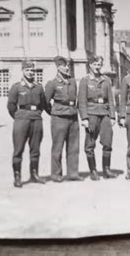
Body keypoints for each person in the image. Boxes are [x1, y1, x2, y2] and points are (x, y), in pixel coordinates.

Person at [7, 60, 50, 188]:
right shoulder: (16, 87)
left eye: (32, 70)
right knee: (18, 149)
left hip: (36, 119)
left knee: (35, 149)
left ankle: (34, 174)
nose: (30, 72)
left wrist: (37, 113)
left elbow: (43, 104)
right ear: (23, 71)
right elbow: (11, 105)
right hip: (21, 120)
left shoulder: (39, 87)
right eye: (27, 70)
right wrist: (19, 117)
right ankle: (17, 176)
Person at [78, 55, 118, 180]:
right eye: (95, 64)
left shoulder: (106, 79)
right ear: (90, 65)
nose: (97, 66)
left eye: (99, 64)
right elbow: (81, 101)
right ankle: (93, 170)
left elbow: (111, 100)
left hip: (104, 114)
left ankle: (106, 169)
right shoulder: (85, 80)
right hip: (91, 114)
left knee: (107, 141)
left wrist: (112, 116)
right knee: (89, 144)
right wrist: (84, 118)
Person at [45, 56, 83, 183]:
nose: (67, 68)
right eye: (65, 66)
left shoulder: (72, 82)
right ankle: (56, 174)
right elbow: (45, 102)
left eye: (68, 66)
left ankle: (73, 173)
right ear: (58, 67)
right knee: (58, 146)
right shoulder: (52, 84)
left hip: (73, 117)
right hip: (59, 118)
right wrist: (54, 112)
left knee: (74, 146)